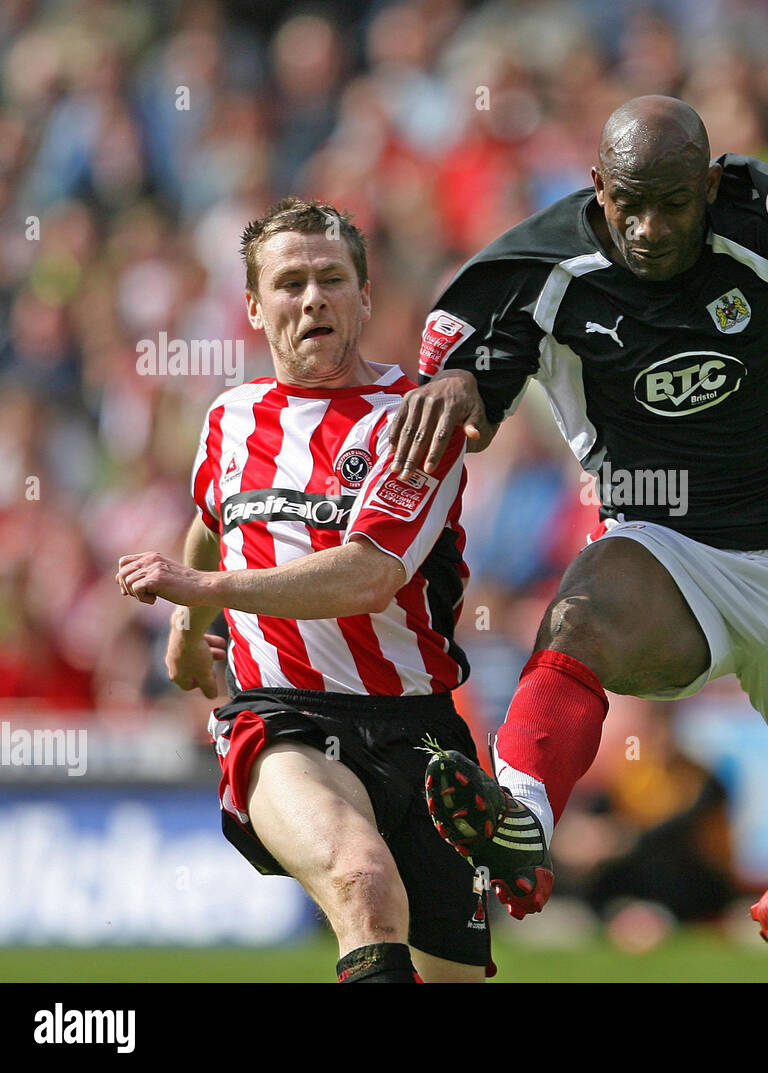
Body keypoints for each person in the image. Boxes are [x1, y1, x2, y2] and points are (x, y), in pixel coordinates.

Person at [394, 96, 768, 983]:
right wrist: (460, 397)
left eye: (673, 203)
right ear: (598, 188)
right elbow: (466, 388)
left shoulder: (763, 213)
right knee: (581, 616)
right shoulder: (535, 268)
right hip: (666, 546)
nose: (651, 228)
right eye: (630, 205)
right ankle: (521, 820)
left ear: (709, 185)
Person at [115, 198, 490, 983]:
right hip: (280, 714)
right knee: (361, 879)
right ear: (254, 306)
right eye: (289, 282)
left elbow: (369, 574)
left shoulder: (416, 417)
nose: (312, 296)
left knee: (445, 973)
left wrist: (200, 585)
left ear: (365, 295)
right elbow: (212, 517)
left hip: (417, 723)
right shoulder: (230, 417)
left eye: (331, 278)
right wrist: (190, 634)